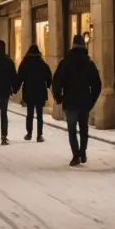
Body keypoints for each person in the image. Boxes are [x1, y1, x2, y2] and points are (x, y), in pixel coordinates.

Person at [52, 34, 102, 166]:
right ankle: (83, 151)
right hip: (84, 101)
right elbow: (97, 84)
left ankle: (76, 155)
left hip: (70, 101)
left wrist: (58, 97)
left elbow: (57, 81)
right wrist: (92, 100)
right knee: (84, 128)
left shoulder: (65, 63)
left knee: (72, 129)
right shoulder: (89, 64)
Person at [16, 45, 52, 142]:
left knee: (30, 113)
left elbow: (20, 77)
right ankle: (39, 135)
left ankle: (29, 133)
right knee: (40, 115)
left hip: (29, 91)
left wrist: (15, 88)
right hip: (40, 91)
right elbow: (48, 76)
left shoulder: (25, 64)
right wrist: (48, 85)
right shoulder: (42, 64)